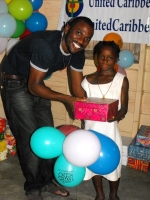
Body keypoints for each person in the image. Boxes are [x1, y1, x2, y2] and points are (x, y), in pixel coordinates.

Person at [0, 16, 94, 200]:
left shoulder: (77, 51)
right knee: (30, 138)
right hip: (14, 82)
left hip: (36, 83)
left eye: (87, 38)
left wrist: (89, 107)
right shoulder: (45, 45)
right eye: (78, 33)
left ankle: (47, 180)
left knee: (50, 137)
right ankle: (33, 188)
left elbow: (76, 89)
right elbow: (33, 86)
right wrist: (67, 100)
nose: (81, 41)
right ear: (66, 29)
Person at [81, 41, 129, 200]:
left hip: (110, 129)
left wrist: (116, 116)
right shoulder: (86, 80)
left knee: (113, 163)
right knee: (94, 160)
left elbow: (124, 108)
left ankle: (113, 194)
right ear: (96, 58)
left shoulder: (121, 80)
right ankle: (99, 194)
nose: (105, 61)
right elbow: (82, 105)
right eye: (101, 56)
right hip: (91, 129)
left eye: (110, 57)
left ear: (116, 59)